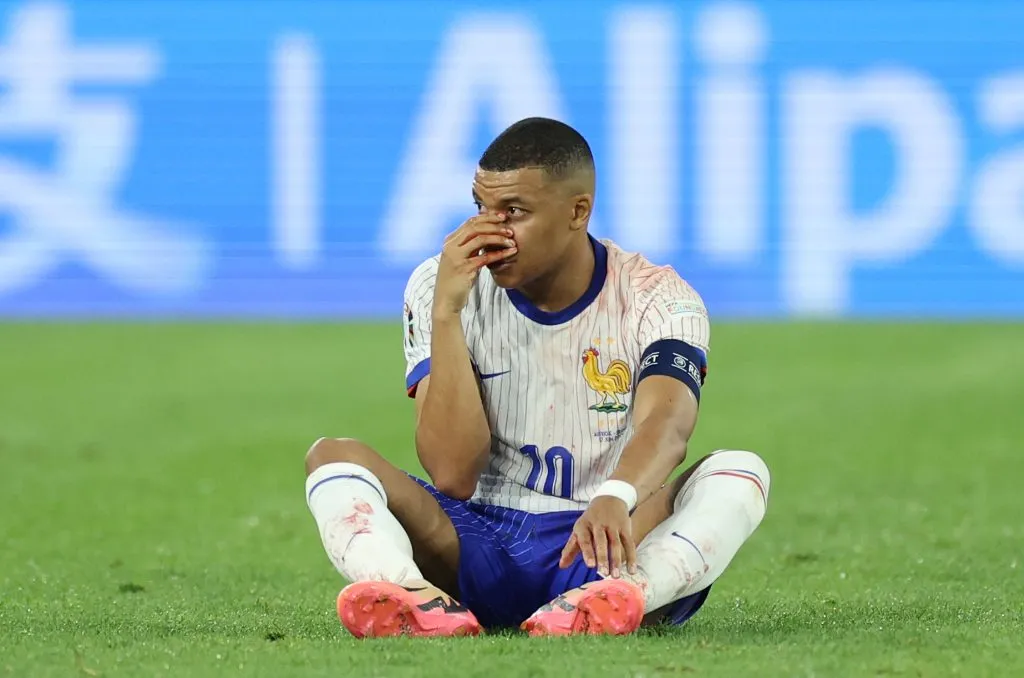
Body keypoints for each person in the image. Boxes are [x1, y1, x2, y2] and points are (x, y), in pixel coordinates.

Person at [304, 117, 770, 638]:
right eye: (481, 208)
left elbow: (668, 427)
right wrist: (446, 315)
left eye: (514, 213)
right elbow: (453, 474)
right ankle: (415, 600)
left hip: (607, 537)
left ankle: (620, 597)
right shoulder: (440, 284)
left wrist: (615, 496)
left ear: (578, 211)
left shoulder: (658, 298)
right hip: (477, 540)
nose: (489, 232)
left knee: (739, 470)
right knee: (331, 456)